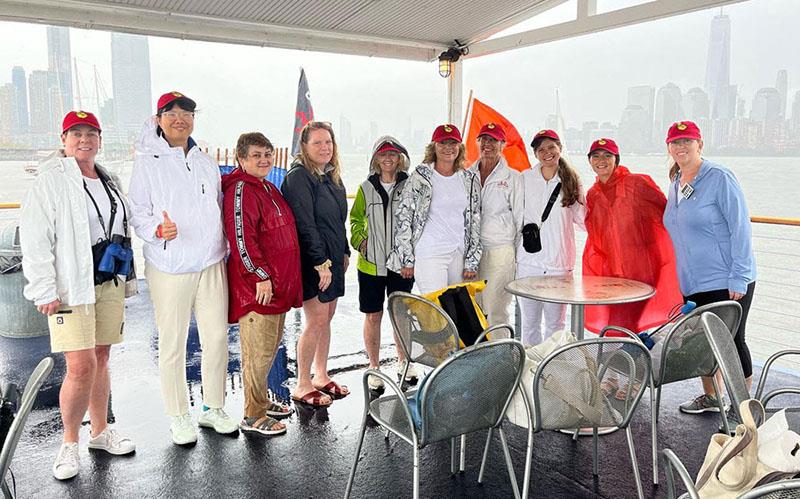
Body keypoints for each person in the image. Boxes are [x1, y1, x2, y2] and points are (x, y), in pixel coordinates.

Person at [20, 111, 136, 480]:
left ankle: (100, 432)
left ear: (100, 139)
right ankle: (69, 443)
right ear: (64, 140)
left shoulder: (108, 178)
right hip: (72, 286)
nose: (84, 140)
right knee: (80, 365)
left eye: (91, 133)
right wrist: (43, 288)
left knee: (102, 357)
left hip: (106, 280)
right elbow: (37, 237)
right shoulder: (51, 180)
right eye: (76, 134)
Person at [128, 91, 238, 445]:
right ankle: (178, 415)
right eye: (171, 113)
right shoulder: (147, 161)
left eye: (186, 113)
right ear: (159, 119)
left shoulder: (205, 160)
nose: (180, 118)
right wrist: (157, 232)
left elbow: (218, 207)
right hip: (170, 265)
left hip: (209, 262)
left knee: (217, 338)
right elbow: (138, 213)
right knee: (174, 343)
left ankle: (212, 408)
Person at [662, 121, 757, 423]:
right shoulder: (676, 180)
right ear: (669, 148)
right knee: (703, 342)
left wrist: (739, 275)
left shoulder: (719, 177)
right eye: (675, 142)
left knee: (731, 340)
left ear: (700, 144)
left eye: (687, 141)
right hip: (693, 280)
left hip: (726, 278)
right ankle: (712, 396)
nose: (681, 147)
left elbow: (740, 226)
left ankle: (744, 406)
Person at [223, 132, 302, 435]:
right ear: (240, 158)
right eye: (256, 155)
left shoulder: (267, 186)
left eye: (267, 154)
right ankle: (252, 415)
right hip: (259, 288)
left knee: (267, 350)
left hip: (277, 285)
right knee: (257, 353)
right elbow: (242, 238)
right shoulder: (241, 189)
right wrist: (260, 275)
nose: (264, 160)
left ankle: (259, 402)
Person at [281, 121, 350, 408]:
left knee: (327, 317)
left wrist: (344, 251)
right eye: (318, 143)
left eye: (328, 142)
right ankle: (302, 383)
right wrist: (321, 262)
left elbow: (337, 220)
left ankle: (321, 375)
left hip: (332, 258)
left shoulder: (330, 176)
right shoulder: (299, 177)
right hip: (313, 260)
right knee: (316, 320)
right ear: (304, 147)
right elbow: (305, 223)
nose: (325, 147)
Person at [582, 137, 682, 334]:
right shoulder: (593, 194)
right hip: (612, 274)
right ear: (590, 161)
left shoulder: (637, 182)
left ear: (616, 159)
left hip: (641, 271)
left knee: (619, 326)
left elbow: (666, 214)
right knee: (620, 325)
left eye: (607, 155)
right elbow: (596, 234)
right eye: (596, 155)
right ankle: (632, 359)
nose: (601, 160)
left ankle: (624, 360)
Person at [349, 136, 417, 390]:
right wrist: (361, 242)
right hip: (371, 266)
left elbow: (416, 222)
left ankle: (404, 361)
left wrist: (410, 257)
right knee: (373, 315)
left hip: (402, 265)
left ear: (400, 159)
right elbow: (355, 219)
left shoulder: (410, 186)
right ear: (376, 159)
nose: (388, 159)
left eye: (393, 154)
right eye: (383, 154)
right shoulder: (366, 188)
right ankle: (374, 366)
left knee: (401, 313)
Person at [388, 124, 481, 295]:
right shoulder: (420, 177)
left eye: (453, 143)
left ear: (459, 147)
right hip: (430, 252)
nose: (448, 148)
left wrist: (471, 260)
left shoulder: (469, 179)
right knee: (435, 310)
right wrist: (406, 258)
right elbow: (404, 216)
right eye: (442, 143)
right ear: (434, 147)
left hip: (458, 254)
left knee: (456, 310)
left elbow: (475, 219)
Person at [516, 129, 586, 346]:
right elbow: (515, 215)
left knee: (556, 325)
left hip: (559, 264)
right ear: (535, 154)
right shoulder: (524, 178)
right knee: (529, 323)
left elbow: (584, 221)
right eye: (541, 149)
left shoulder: (572, 181)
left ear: (560, 148)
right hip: (528, 262)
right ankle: (530, 370)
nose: (547, 153)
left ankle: (551, 372)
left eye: (551, 147)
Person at [466, 123, 523, 326]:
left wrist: (515, 257)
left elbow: (520, 220)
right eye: (484, 139)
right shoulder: (466, 175)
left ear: (503, 145)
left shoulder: (513, 178)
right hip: (470, 253)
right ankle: (477, 355)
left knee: (495, 308)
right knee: (471, 307)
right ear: (477, 142)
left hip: (500, 251)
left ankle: (502, 356)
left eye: (493, 140)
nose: (487, 144)